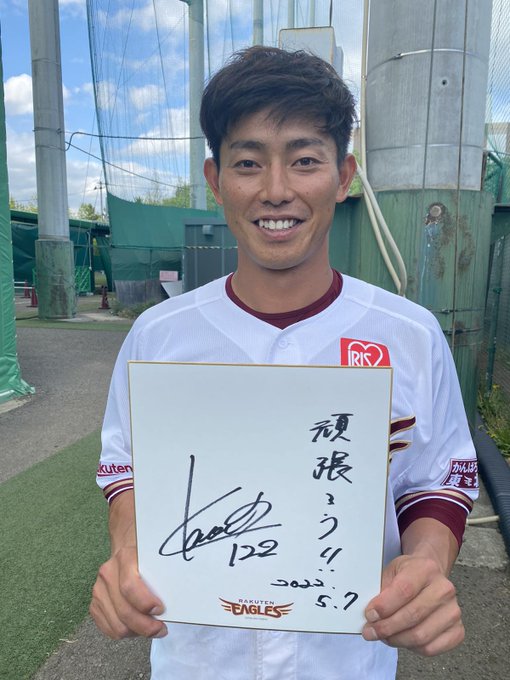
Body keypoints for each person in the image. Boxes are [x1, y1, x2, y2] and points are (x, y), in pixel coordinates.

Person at [90, 46, 478, 679]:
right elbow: (124, 466)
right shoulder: (158, 336)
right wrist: (127, 552)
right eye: (248, 162)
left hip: (349, 658)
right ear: (216, 180)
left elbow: (437, 478)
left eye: (304, 160)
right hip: (197, 659)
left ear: (343, 176)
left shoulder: (410, 334)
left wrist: (428, 566)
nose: (276, 190)